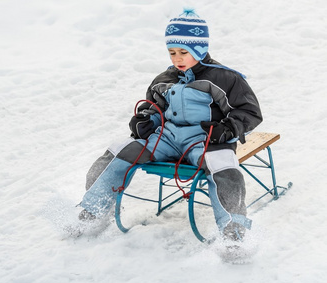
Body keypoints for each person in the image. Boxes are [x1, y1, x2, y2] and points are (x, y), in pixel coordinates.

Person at [77, 8, 262, 241]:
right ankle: (93, 211)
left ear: (200, 49)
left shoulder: (224, 78)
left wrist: (227, 129)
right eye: (172, 52)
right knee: (118, 151)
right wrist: (146, 121)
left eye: (184, 52)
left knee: (224, 168)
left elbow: (248, 111)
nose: (177, 59)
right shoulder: (165, 79)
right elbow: (154, 107)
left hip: (205, 140)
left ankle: (233, 232)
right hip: (167, 138)